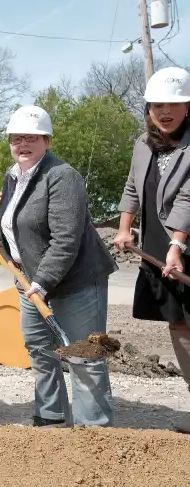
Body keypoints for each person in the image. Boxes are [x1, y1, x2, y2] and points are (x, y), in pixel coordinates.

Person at [0, 106, 117, 427]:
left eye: (31, 137)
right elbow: (13, 215)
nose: (23, 144)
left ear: (47, 140)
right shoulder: (13, 174)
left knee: (84, 355)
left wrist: (43, 281)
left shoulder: (62, 176)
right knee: (40, 349)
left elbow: (66, 239)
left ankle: (94, 430)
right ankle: (51, 415)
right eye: (16, 138)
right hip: (29, 278)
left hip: (75, 282)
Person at [113, 66, 190, 434]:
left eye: (174, 103)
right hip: (159, 247)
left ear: (188, 106)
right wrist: (125, 228)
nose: (166, 111)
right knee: (178, 323)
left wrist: (178, 244)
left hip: (185, 242)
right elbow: (132, 188)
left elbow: (189, 198)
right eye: (158, 104)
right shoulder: (143, 145)